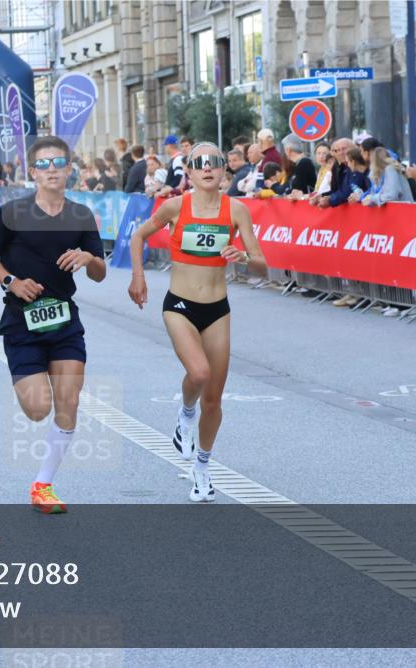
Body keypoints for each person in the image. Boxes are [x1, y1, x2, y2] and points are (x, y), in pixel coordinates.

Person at [127, 142, 267, 503]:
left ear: (224, 172)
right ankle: (184, 413)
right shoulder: (176, 205)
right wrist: (138, 277)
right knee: (200, 374)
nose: (208, 169)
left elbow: (262, 264)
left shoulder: (236, 210)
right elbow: (139, 235)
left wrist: (243, 256)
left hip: (217, 309)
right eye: (199, 164)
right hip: (180, 306)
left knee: (215, 401)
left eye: (215, 163)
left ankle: (202, 468)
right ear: (188, 172)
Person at [0, 136, 106, 514]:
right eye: (43, 164)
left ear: (69, 169)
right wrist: (10, 281)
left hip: (64, 320)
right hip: (22, 322)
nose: (51, 170)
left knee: (69, 402)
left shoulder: (81, 216)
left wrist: (87, 257)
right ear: (32, 172)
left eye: (58, 162)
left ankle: (43, 485)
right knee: (37, 409)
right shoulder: (13, 213)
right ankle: (29, 380)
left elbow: (99, 272)